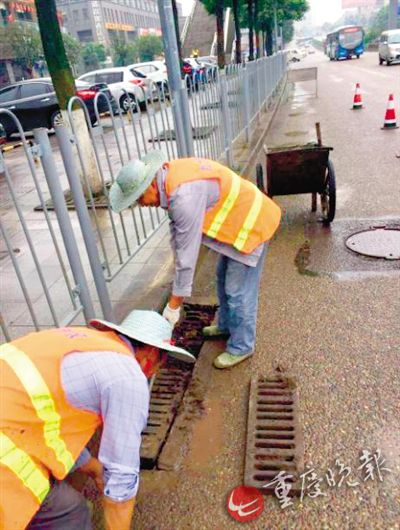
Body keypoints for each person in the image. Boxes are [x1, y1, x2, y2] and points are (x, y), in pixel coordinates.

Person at [0, 310, 194, 530]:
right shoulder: (128, 377)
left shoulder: (83, 341)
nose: (156, 370)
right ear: (151, 353)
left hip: (10, 419)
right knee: (68, 512)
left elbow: (45, 423)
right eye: (163, 361)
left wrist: (90, 466)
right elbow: (121, 477)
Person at [109, 152, 281, 369]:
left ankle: (242, 346)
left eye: (139, 199)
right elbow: (178, 235)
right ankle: (227, 325)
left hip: (251, 225)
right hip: (238, 223)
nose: (141, 205)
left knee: (237, 291)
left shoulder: (183, 196)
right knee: (222, 279)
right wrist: (177, 281)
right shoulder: (170, 178)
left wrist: (174, 305)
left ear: (149, 185)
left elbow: (187, 256)